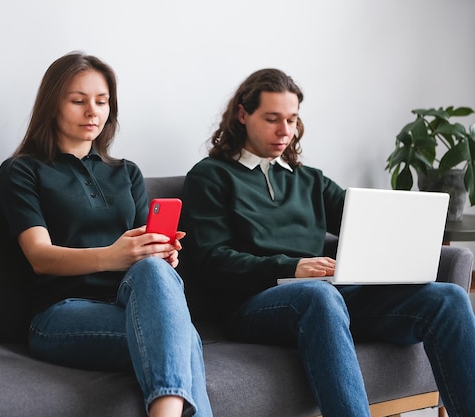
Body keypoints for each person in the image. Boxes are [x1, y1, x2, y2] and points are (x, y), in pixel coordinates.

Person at [181, 68, 475, 417]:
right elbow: (214, 262)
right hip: (252, 305)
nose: (285, 131)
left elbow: (371, 222)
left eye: (292, 119)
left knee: (449, 297)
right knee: (318, 294)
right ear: (243, 115)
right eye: (272, 119)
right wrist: (292, 267)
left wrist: (402, 245)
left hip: (327, 298)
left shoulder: (309, 181)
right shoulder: (210, 176)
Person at [0, 52, 212, 417]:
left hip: (129, 303)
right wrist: (113, 255)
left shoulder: (127, 172)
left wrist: (158, 253)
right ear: (52, 106)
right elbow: (39, 256)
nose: (92, 112)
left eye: (101, 102)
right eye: (78, 101)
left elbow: (144, 255)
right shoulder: (22, 170)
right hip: (60, 313)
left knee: (157, 275)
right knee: (182, 338)